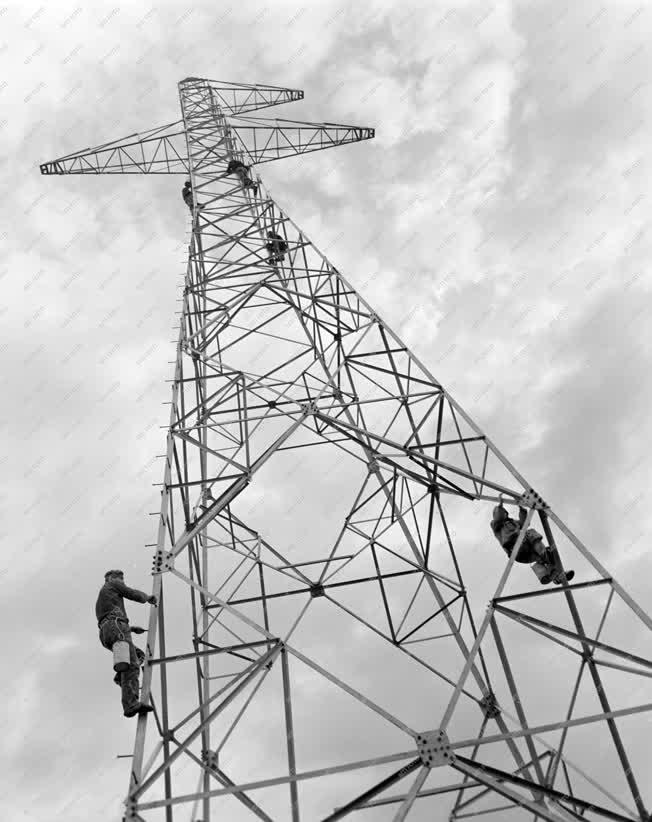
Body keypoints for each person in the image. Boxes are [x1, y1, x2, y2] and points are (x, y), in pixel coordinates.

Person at [95, 569, 157, 717]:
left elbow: (107, 620)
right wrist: (147, 598)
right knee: (132, 665)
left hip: (108, 632)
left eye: (122, 578)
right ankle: (130, 704)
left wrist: (130, 628)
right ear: (110, 579)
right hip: (117, 627)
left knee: (137, 655)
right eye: (118, 578)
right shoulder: (111, 585)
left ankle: (121, 677)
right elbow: (131, 593)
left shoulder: (103, 596)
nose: (121, 580)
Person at [490, 500, 575, 585]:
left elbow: (525, 522)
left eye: (505, 512)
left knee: (548, 552)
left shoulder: (513, 522)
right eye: (502, 513)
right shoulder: (496, 526)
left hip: (527, 551)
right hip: (516, 550)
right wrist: (500, 505)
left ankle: (553, 575)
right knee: (530, 533)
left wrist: (521, 508)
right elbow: (498, 517)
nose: (504, 514)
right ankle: (546, 561)